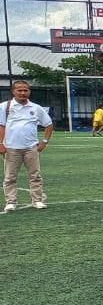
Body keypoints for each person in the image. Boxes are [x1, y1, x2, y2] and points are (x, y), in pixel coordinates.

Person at [1, 80, 53, 212]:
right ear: (13, 91)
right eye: (19, 90)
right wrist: (1, 143)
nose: (23, 93)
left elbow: (48, 124)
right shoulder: (4, 107)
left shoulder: (36, 108)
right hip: (11, 147)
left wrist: (44, 141)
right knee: (10, 177)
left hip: (31, 147)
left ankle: (37, 200)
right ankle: (11, 202)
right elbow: (1, 126)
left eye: (25, 90)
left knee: (35, 175)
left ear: (29, 91)